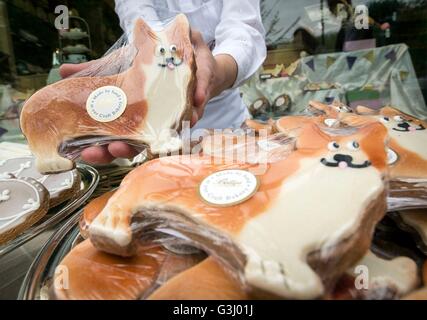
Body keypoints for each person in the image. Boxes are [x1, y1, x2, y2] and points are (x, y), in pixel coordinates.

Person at [60, 0, 266, 164]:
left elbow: (242, 31)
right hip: (155, 136)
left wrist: (214, 73)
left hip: (229, 128)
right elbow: (141, 23)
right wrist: (147, 63)